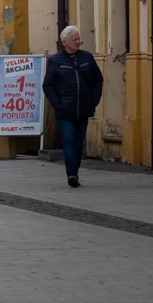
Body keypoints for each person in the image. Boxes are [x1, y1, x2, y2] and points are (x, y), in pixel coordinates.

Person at [44, 26, 104, 188]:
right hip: (64, 110)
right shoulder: (55, 60)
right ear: (64, 42)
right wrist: (57, 104)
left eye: (79, 39)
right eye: (74, 39)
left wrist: (94, 100)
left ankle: (74, 171)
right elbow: (48, 85)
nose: (78, 42)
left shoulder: (87, 57)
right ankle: (71, 174)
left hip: (83, 108)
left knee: (78, 141)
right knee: (69, 138)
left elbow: (98, 80)